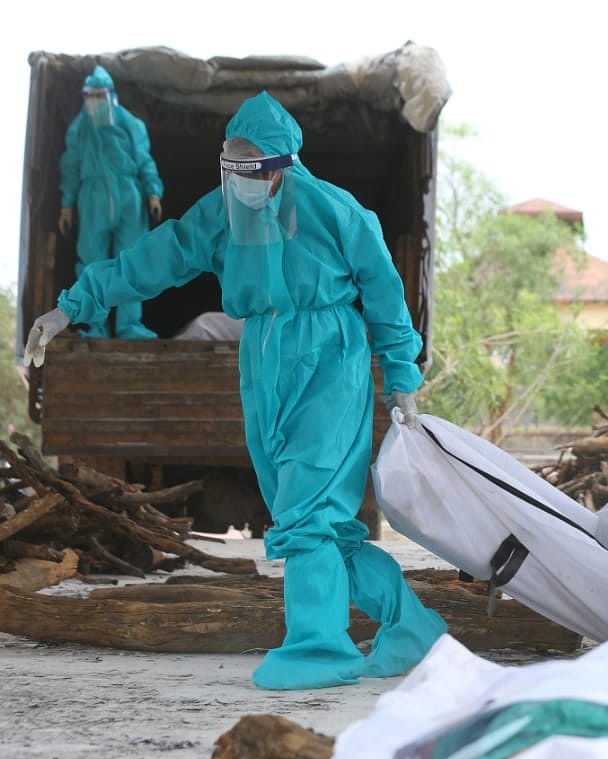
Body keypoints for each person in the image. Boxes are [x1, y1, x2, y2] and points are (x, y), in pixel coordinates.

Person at [26, 91, 447, 691]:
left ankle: (318, 651)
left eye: (250, 170)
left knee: (308, 515)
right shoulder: (223, 212)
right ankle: (412, 629)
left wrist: (401, 375)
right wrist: (72, 307)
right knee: (317, 524)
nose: (238, 181)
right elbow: (156, 256)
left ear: (282, 166)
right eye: (229, 167)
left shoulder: (337, 212)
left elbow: (383, 291)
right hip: (263, 362)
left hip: (330, 357)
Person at [57, 65, 163, 340]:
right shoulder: (80, 129)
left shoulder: (130, 124)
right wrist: (67, 204)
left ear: (111, 95)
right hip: (92, 199)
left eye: (98, 96)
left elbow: (144, 159)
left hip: (129, 195)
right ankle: (96, 326)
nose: (94, 103)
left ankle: (130, 325)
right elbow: (70, 165)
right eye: (89, 97)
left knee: (132, 262)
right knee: (92, 263)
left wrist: (153, 192)